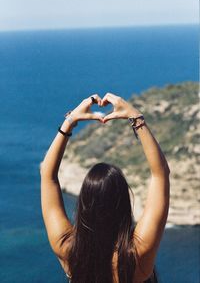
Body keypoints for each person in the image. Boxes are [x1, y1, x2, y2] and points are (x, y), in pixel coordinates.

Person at [40, 93, 170, 283]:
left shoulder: (68, 250)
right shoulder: (137, 256)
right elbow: (161, 174)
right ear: (124, 203)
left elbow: (48, 176)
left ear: (84, 203)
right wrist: (137, 118)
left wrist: (70, 122)